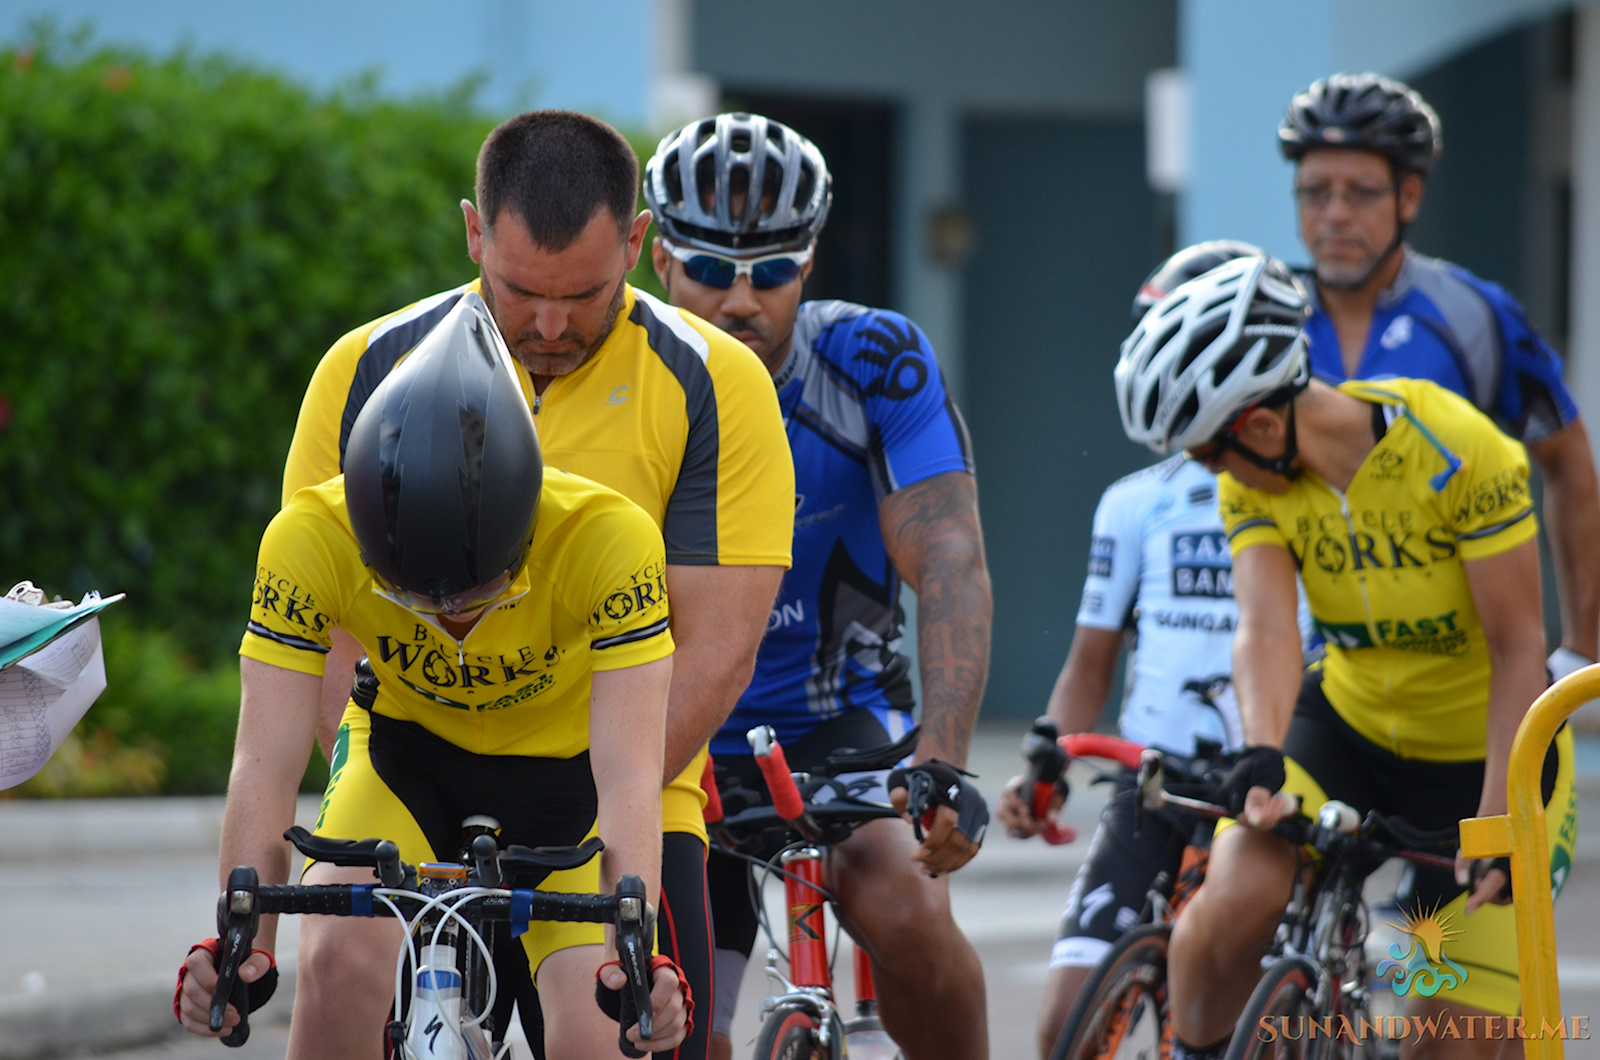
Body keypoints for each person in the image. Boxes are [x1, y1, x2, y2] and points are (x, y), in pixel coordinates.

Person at [279, 110, 794, 1059]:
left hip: (609, 779)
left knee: (623, 1025)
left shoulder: (716, 383)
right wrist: (372, 798)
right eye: (520, 291)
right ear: (474, 234)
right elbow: (329, 625)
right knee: (338, 967)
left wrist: (569, 830)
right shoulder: (366, 369)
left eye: (587, 295)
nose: (550, 326)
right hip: (414, 753)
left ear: (637, 245)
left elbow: (716, 649)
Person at [174, 294, 691, 1056]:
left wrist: (631, 957)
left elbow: (630, 774)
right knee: (336, 962)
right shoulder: (308, 538)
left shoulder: (611, 540)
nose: (449, 618)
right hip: (405, 761)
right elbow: (263, 762)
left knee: (600, 1032)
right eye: (412, 597)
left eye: (478, 594)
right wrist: (242, 944)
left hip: (568, 783)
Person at [1117, 254, 1575, 1059]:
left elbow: (1516, 649)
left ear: (1261, 427)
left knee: (1454, 1043)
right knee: (1234, 894)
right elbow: (1265, 625)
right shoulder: (1252, 480)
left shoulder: (1459, 451)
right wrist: (1262, 753)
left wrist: (1498, 821)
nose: (1208, 472)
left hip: (1487, 752)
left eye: (1208, 453)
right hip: (1348, 729)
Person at [643, 112, 993, 1060]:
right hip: (671, 731)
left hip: (838, 722)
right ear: (660, 262)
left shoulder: (875, 361)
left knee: (910, 915)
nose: (738, 300)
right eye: (709, 269)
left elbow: (949, 558)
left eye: (771, 272)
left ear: (809, 263)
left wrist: (944, 758)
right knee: (675, 1029)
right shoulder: (617, 380)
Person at [996, 241, 1281, 1059]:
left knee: (1241, 1030)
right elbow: (1090, 661)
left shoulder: (1301, 498)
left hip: (1258, 793)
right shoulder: (1133, 503)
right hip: (1152, 785)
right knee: (1063, 1024)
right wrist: (1046, 762)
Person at [1280, 71, 1600, 685]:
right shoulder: (1263, 319)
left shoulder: (1475, 314)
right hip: (1307, 675)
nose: (1334, 214)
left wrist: (1582, 649)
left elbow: (1569, 457)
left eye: (1361, 192)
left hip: (1455, 677)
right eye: (1314, 191)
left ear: (1409, 197)